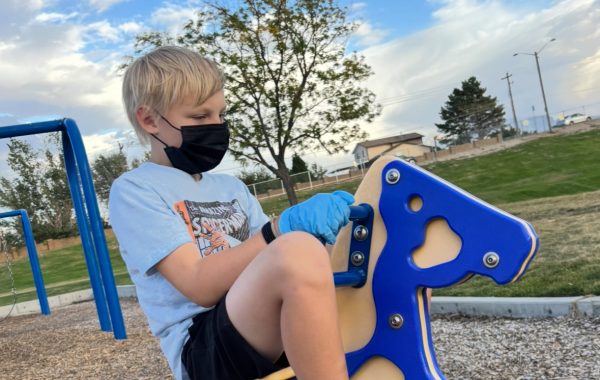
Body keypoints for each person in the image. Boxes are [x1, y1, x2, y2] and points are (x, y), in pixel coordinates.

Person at [109, 45, 353, 380]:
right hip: (203, 347)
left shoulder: (231, 187)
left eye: (220, 114)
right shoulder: (135, 190)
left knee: (347, 248)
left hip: (262, 326)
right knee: (295, 249)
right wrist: (280, 229)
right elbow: (198, 285)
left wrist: (332, 236)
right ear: (149, 119)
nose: (216, 125)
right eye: (199, 117)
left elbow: (274, 262)